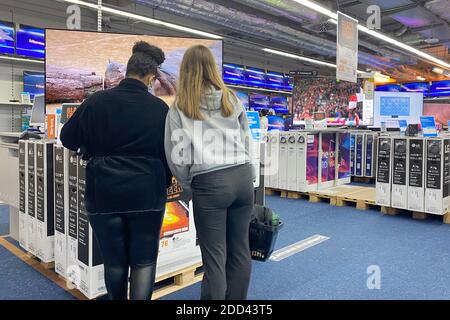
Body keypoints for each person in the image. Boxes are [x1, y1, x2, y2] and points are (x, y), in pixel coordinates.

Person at [60, 41, 172, 300]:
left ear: (126, 71)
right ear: (152, 77)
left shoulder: (95, 102)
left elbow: (68, 139)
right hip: (147, 192)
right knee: (144, 262)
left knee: (114, 263)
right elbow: (169, 152)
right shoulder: (160, 109)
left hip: (104, 192)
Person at [164, 45, 255, 300]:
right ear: (213, 68)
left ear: (185, 71)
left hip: (210, 181)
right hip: (242, 176)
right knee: (240, 251)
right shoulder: (232, 98)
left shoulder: (181, 106)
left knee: (215, 258)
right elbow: (248, 141)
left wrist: (187, 183)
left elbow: (175, 154)